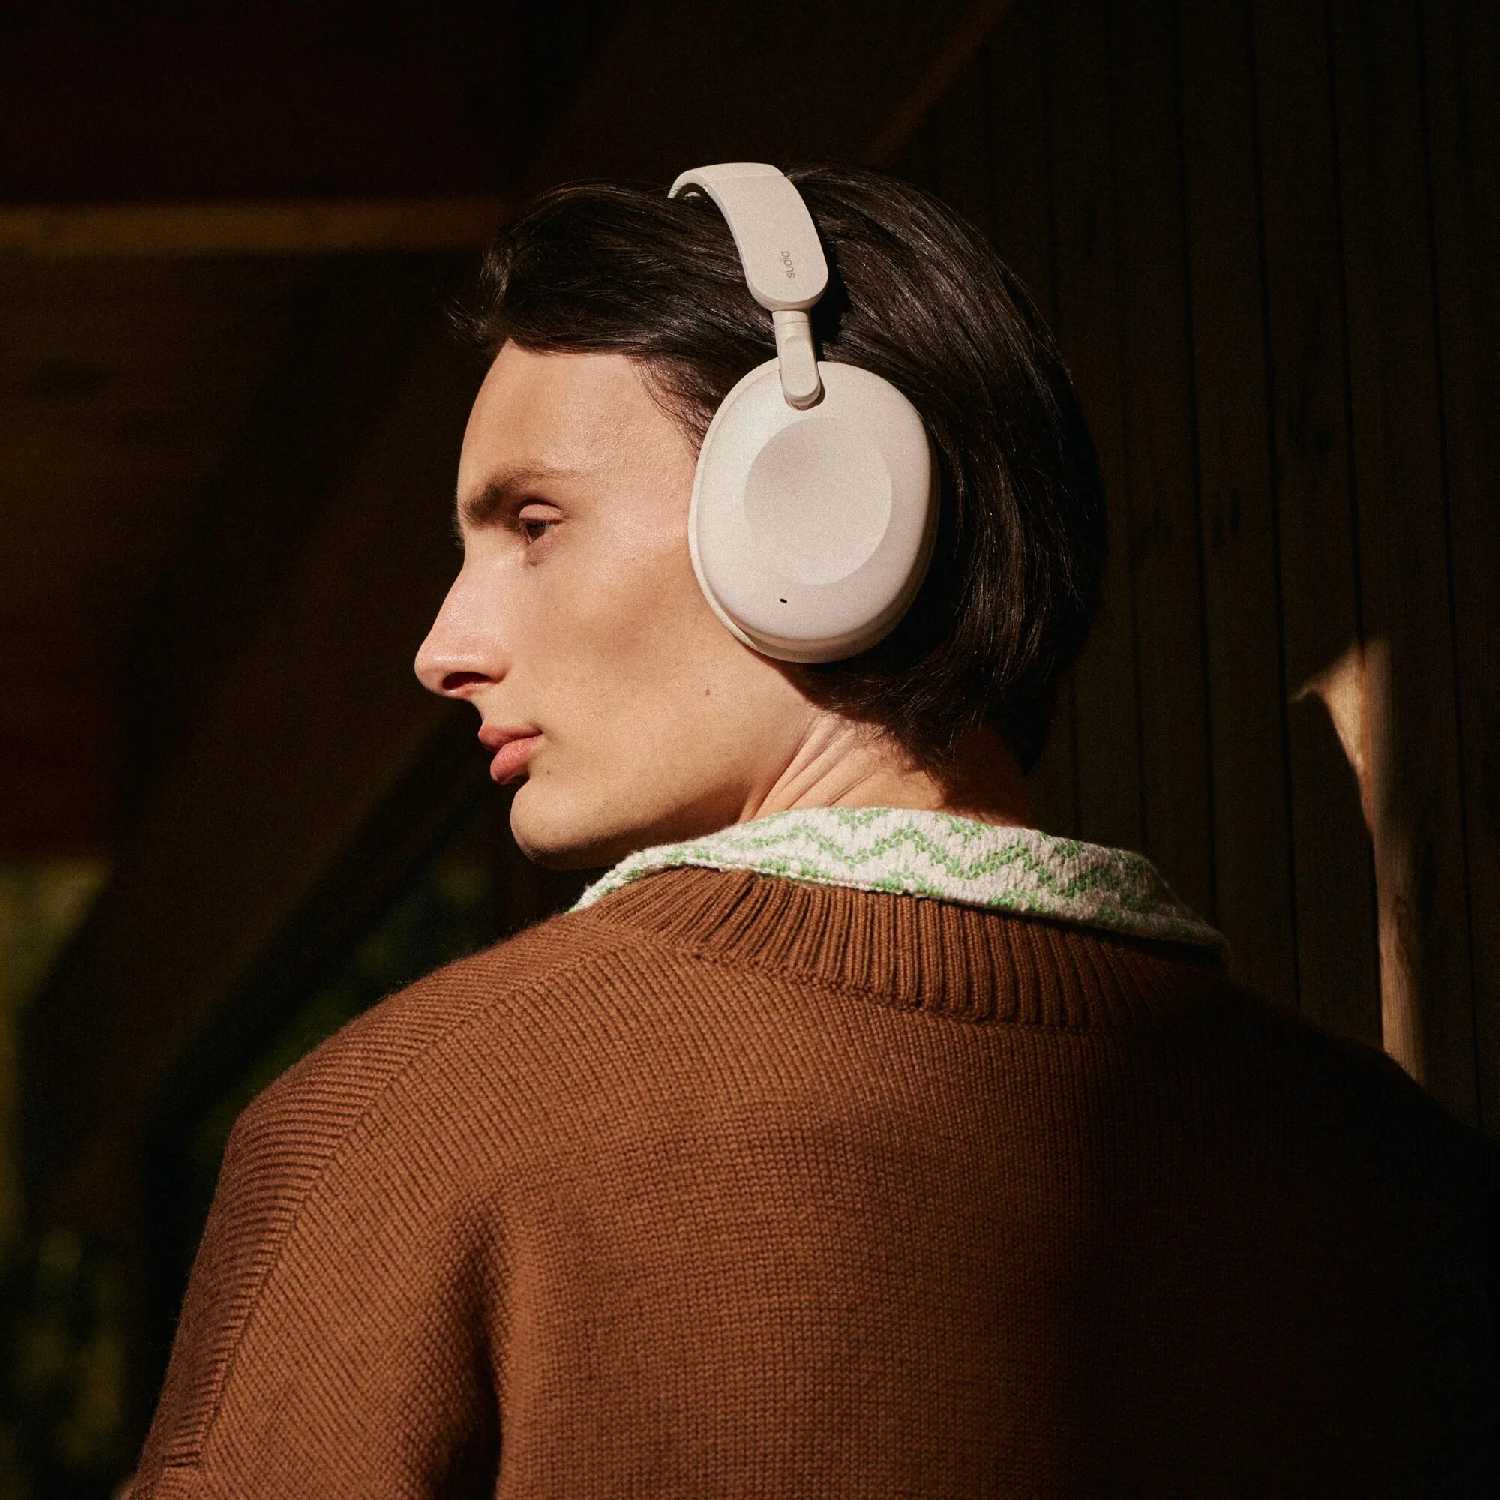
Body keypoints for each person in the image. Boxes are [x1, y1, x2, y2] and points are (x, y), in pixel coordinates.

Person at [127, 162, 1497, 1497]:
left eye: (533, 525)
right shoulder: (1411, 1185)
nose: (443, 649)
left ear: (822, 511)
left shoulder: (405, 1127)